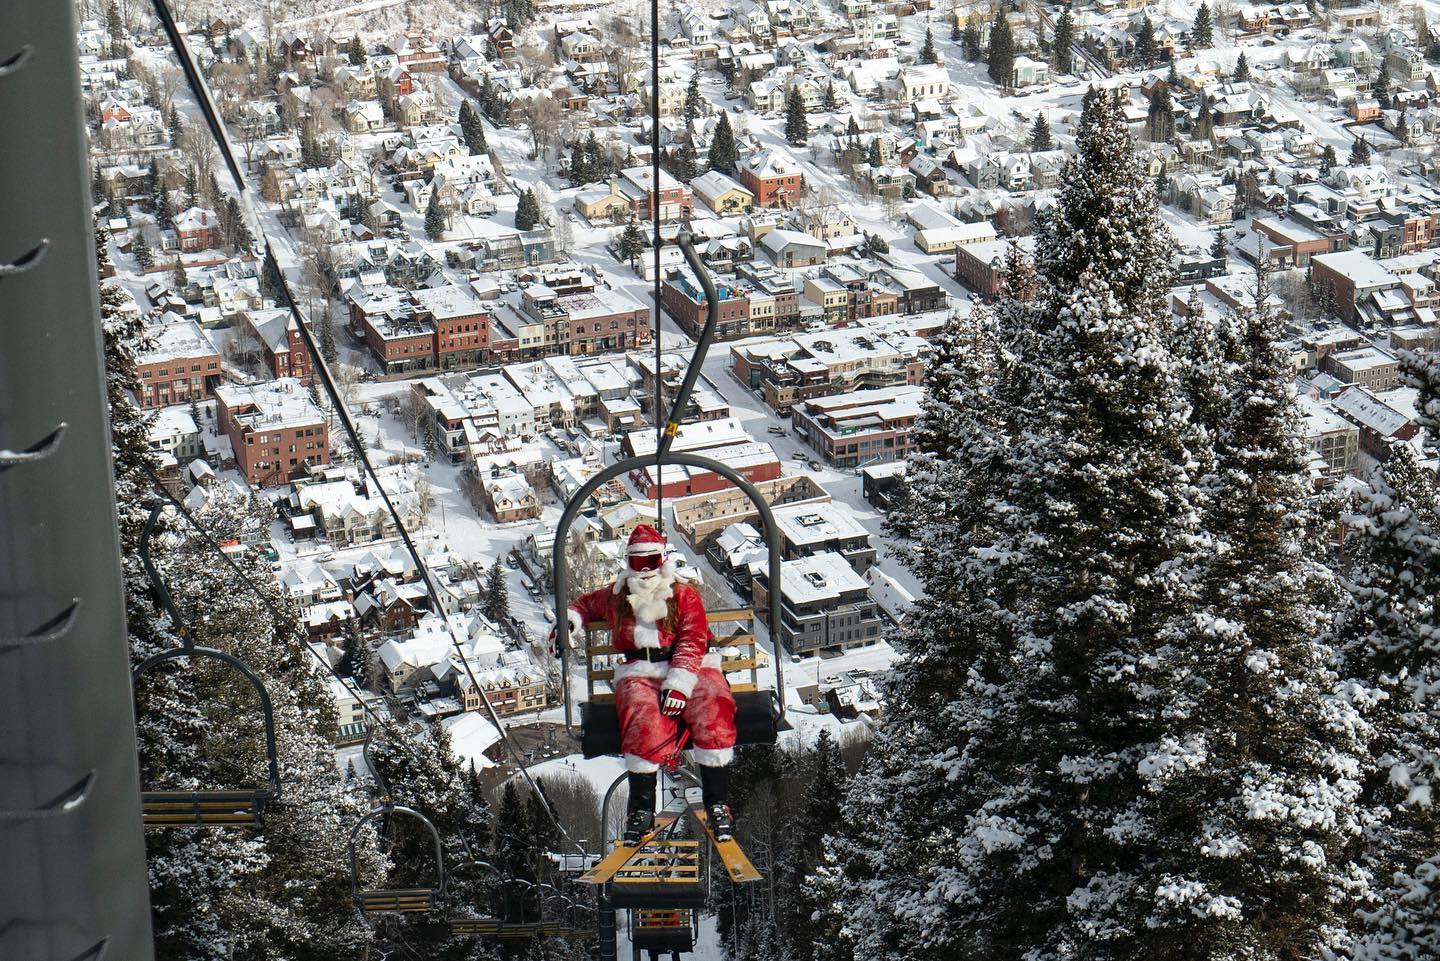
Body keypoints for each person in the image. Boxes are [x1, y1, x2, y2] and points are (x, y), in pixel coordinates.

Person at [553, 525, 737, 842]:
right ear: (629, 565)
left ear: (662, 559)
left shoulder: (682, 594)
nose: (647, 569)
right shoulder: (618, 596)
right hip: (641, 668)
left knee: (711, 703)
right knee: (641, 713)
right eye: (639, 563)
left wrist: (679, 683)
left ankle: (717, 802)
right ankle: (641, 810)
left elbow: (693, 639)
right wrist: (569, 622)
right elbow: (583, 605)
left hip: (691, 666)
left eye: (652, 560)